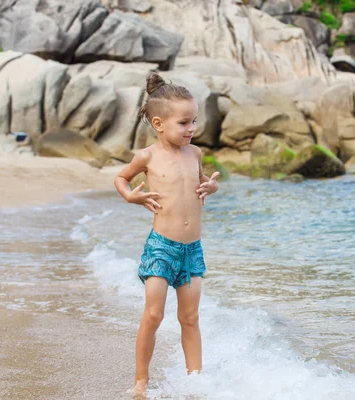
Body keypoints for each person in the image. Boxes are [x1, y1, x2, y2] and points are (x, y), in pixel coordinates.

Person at [113, 72, 220, 394]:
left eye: (194, 122)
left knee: (190, 317)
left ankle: (195, 380)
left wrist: (212, 186)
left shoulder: (195, 153)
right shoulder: (147, 156)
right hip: (161, 247)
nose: (191, 129)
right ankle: (141, 381)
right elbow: (121, 178)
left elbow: (201, 181)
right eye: (184, 123)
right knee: (154, 314)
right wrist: (130, 195)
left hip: (192, 250)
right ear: (159, 124)